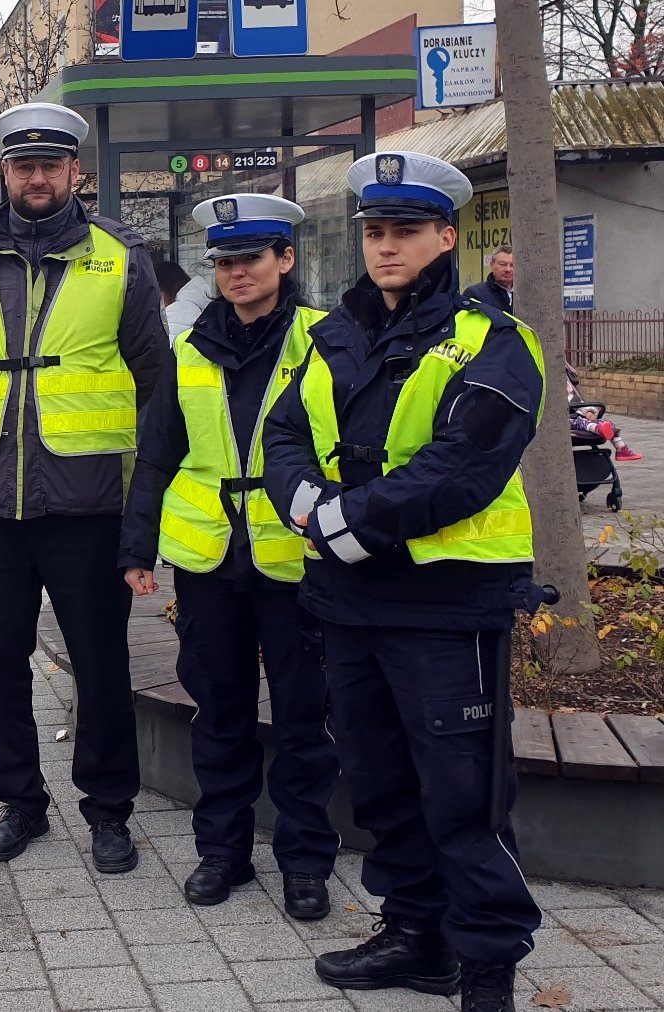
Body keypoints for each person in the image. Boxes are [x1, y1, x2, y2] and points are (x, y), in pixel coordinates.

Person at [261, 152, 545, 1012]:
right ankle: (416, 936)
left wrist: (349, 522)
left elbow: (466, 466)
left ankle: (486, 964)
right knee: (381, 782)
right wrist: (307, 503)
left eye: (407, 232)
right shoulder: (329, 335)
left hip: (447, 605)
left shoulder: (492, 339)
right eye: (375, 232)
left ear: (446, 237)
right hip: (351, 604)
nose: (387, 247)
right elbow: (282, 437)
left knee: (464, 796)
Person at [0, 102, 168, 871]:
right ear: (2, 173)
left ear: (76, 172)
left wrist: (143, 498)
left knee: (100, 659)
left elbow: (154, 379)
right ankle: (20, 803)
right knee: (0, 658)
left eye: (51, 165)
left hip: (88, 500)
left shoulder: (120, 257)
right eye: (21, 166)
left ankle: (109, 811)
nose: (36, 178)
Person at [120, 194, 339, 918]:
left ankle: (306, 862)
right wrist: (137, 546)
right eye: (224, 262)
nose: (236, 273)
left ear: (286, 259)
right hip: (210, 561)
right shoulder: (191, 349)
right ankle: (223, 853)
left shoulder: (325, 340)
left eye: (250, 258)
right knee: (219, 713)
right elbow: (157, 455)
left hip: (296, 561)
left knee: (305, 718)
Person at [565, 362, 642, 460]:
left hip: (577, 415)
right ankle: (598, 428)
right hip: (566, 420)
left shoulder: (569, 390)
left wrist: (588, 411)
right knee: (584, 423)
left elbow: (578, 402)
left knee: (609, 425)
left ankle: (621, 449)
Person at [464, 245, 514, 313]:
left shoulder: (525, 294)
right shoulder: (474, 294)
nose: (508, 269)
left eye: (512, 265)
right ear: (492, 265)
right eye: (502, 264)